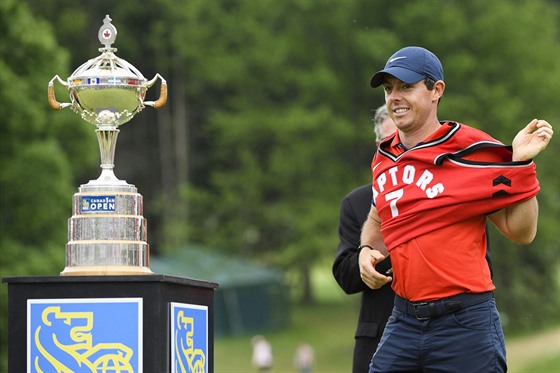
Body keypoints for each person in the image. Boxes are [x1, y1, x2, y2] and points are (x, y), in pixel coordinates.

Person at [359, 46, 553, 372]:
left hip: (465, 323)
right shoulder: (383, 157)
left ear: (436, 90)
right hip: (404, 319)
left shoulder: (471, 148)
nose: (395, 97)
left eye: (406, 86)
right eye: (389, 88)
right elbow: (379, 213)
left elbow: (521, 232)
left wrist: (521, 164)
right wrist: (366, 248)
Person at [332, 105, 397, 373]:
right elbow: (345, 276)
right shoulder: (357, 202)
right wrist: (367, 256)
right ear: (377, 145)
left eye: (404, 141)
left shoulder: (443, 192)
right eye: (388, 142)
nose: (397, 149)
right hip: (378, 340)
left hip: (441, 338)